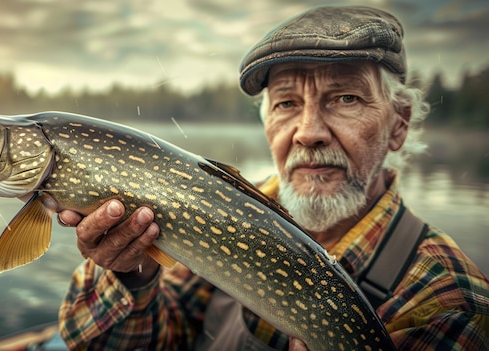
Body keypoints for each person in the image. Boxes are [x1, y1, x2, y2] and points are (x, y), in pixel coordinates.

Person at [55, 6, 489, 350]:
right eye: (285, 104)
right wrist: (134, 274)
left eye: (346, 97)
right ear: (267, 123)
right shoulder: (218, 209)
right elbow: (147, 342)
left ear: (399, 123)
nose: (308, 132)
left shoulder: (451, 303)